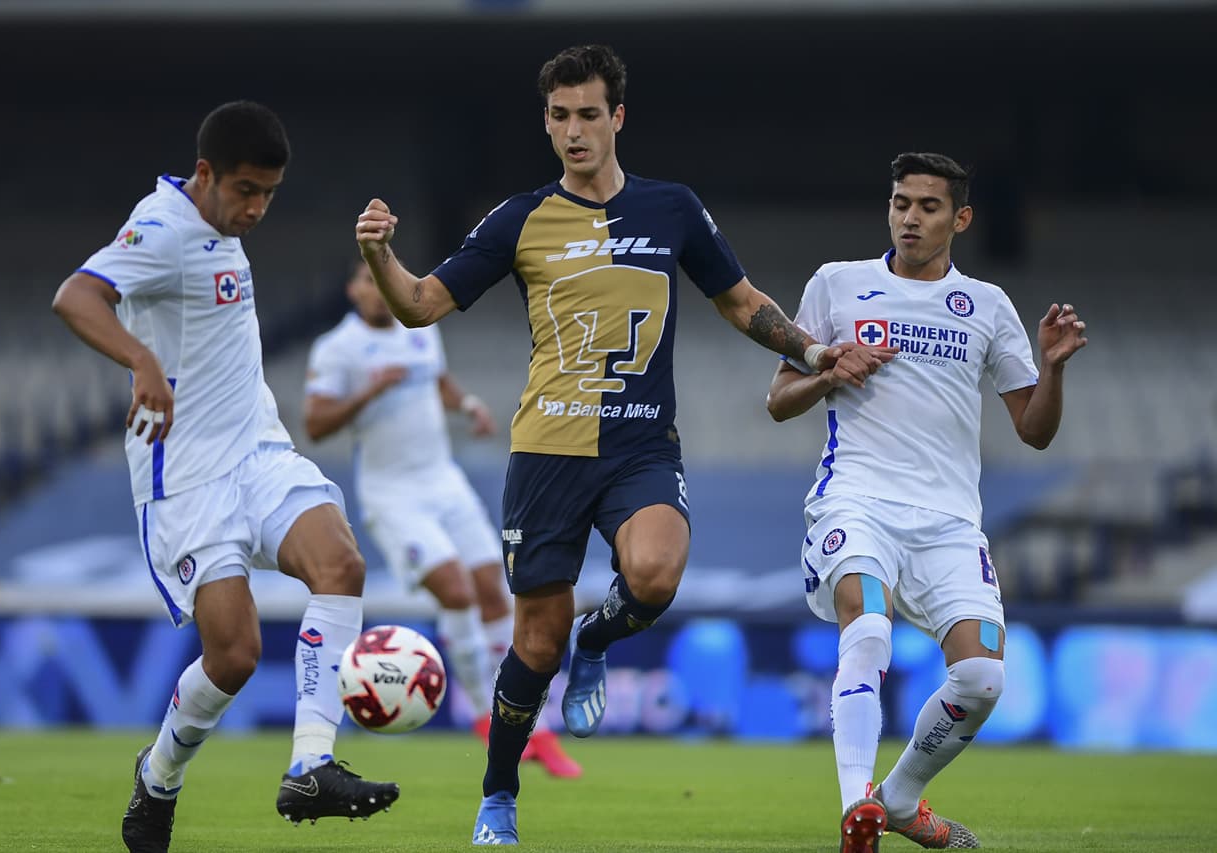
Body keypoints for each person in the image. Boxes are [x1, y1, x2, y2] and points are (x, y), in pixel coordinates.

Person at [353, 44, 890, 846]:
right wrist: (378, 255)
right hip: (546, 454)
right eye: (560, 116)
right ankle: (499, 795)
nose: (575, 131)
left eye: (589, 115)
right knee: (534, 638)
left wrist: (813, 352)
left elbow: (740, 301)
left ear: (618, 118)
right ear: (546, 121)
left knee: (656, 573)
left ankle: (597, 639)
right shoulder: (519, 219)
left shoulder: (671, 207)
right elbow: (422, 304)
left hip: (642, 447)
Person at [51, 101, 399, 853]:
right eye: (244, 190)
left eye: (268, 193)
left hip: (258, 451)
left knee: (341, 561)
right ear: (204, 173)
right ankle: (160, 774)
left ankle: (310, 764)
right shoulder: (163, 226)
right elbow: (76, 296)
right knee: (234, 655)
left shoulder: (218, 224)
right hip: (186, 477)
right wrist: (141, 361)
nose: (256, 208)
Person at [766, 152, 1088, 851]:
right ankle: (858, 809)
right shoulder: (837, 285)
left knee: (980, 677)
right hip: (856, 498)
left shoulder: (989, 307)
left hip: (948, 522)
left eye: (929, 206)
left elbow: (1033, 430)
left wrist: (1053, 370)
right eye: (900, 202)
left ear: (961, 218)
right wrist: (827, 372)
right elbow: (778, 401)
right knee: (869, 629)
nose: (910, 217)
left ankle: (901, 797)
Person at [302, 260, 582, 778]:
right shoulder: (338, 348)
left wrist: (468, 403)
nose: (377, 292)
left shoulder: (420, 330)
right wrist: (370, 390)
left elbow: (438, 379)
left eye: (380, 280)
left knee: (497, 591)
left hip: (444, 482)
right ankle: (485, 716)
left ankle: (531, 729)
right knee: (456, 591)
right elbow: (315, 423)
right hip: (393, 495)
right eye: (366, 281)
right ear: (354, 289)